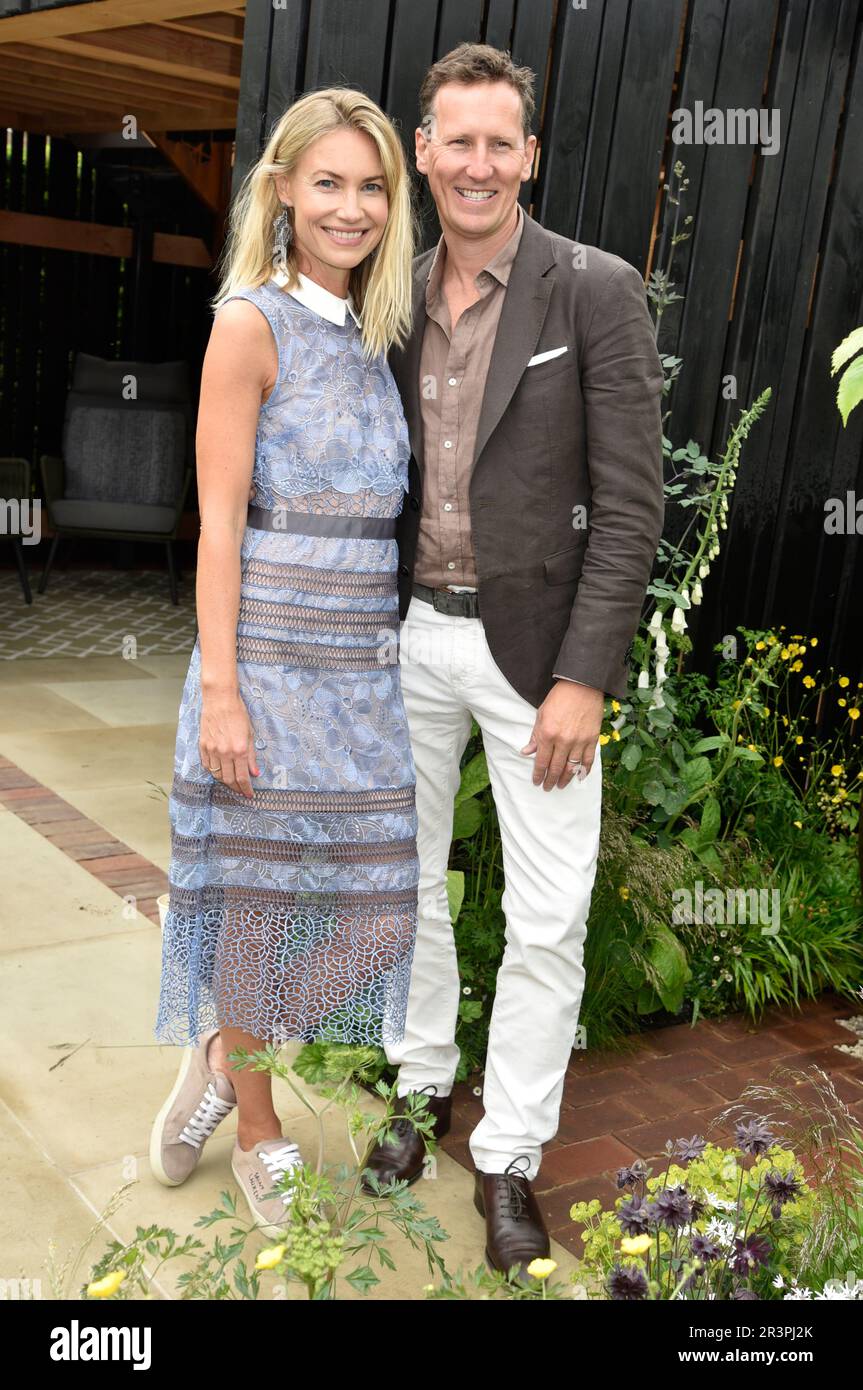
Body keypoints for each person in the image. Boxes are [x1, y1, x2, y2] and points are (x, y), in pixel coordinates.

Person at [361, 44, 665, 1281]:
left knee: (545, 919)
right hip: (405, 639)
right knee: (408, 887)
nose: (476, 164)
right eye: (455, 142)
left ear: (527, 157)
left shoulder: (591, 291)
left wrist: (584, 675)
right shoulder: (386, 289)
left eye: (500, 143)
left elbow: (631, 504)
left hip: (536, 656)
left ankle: (510, 1152)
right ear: (422, 153)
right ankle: (418, 1085)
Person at [149, 87, 419, 1237]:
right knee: (258, 908)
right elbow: (217, 523)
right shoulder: (248, 324)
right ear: (282, 193)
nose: (350, 207)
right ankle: (257, 1127)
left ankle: (221, 1045)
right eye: (328, 183)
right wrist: (222, 690)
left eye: (370, 187)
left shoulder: (376, 337)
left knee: (370, 916)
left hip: (359, 679)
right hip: (260, 667)